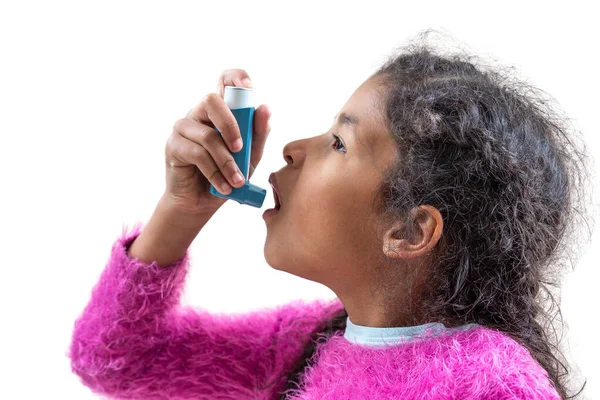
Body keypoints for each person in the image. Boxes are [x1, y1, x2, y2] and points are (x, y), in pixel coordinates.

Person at [68, 33, 589, 399]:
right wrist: (182, 210)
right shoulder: (306, 346)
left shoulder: (491, 386)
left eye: (339, 142)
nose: (293, 148)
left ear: (409, 230)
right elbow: (116, 362)